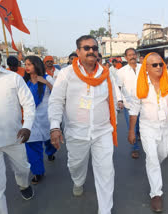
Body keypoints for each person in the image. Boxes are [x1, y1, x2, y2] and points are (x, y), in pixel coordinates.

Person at [48, 35, 117, 214]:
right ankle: (78, 181)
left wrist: (114, 120)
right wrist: (55, 127)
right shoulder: (66, 74)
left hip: (102, 132)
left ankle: (105, 210)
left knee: (106, 171)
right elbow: (56, 101)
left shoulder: (106, 74)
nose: (91, 51)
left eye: (94, 48)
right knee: (76, 165)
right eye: (86, 48)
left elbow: (113, 99)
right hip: (76, 132)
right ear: (78, 52)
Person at [128, 53, 168, 213]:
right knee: (151, 158)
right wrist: (131, 131)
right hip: (147, 127)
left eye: (161, 64)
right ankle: (156, 194)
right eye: (155, 65)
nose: (159, 67)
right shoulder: (141, 84)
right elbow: (134, 109)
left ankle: (153, 168)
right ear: (147, 68)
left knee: (163, 154)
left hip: (165, 127)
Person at [0, 53, 36, 214]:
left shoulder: (13, 78)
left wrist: (27, 126)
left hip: (15, 137)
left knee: (22, 169)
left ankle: (23, 184)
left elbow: (28, 103)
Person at [23, 56, 57, 184]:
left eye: (29, 64)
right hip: (30, 119)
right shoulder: (24, 81)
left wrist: (45, 82)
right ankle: (38, 172)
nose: (27, 67)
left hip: (46, 118)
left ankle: (50, 152)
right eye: (25, 64)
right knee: (32, 146)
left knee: (50, 142)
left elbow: (58, 93)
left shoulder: (47, 78)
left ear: (36, 65)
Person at [116, 48, 141, 159]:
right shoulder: (121, 72)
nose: (132, 56)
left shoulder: (143, 68)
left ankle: (142, 140)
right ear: (125, 58)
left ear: (136, 55)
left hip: (144, 103)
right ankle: (135, 148)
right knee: (132, 127)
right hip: (129, 104)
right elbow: (118, 88)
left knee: (143, 126)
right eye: (129, 55)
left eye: (133, 54)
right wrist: (120, 100)